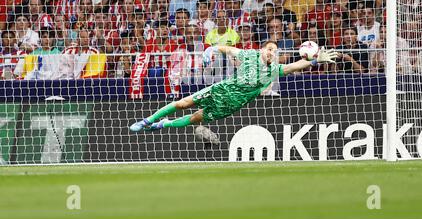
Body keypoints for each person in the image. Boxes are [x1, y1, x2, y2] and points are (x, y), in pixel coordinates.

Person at [130, 41, 337, 131]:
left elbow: (295, 65)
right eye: (268, 49)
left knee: (194, 118)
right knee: (183, 104)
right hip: (221, 89)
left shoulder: (275, 69)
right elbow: (227, 49)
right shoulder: (249, 55)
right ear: (263, 49)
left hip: (232, 104)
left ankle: (162, 125)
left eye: (274, 51)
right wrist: (211, 50)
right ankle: (147, 120)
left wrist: (316, 60)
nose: (270, 53)